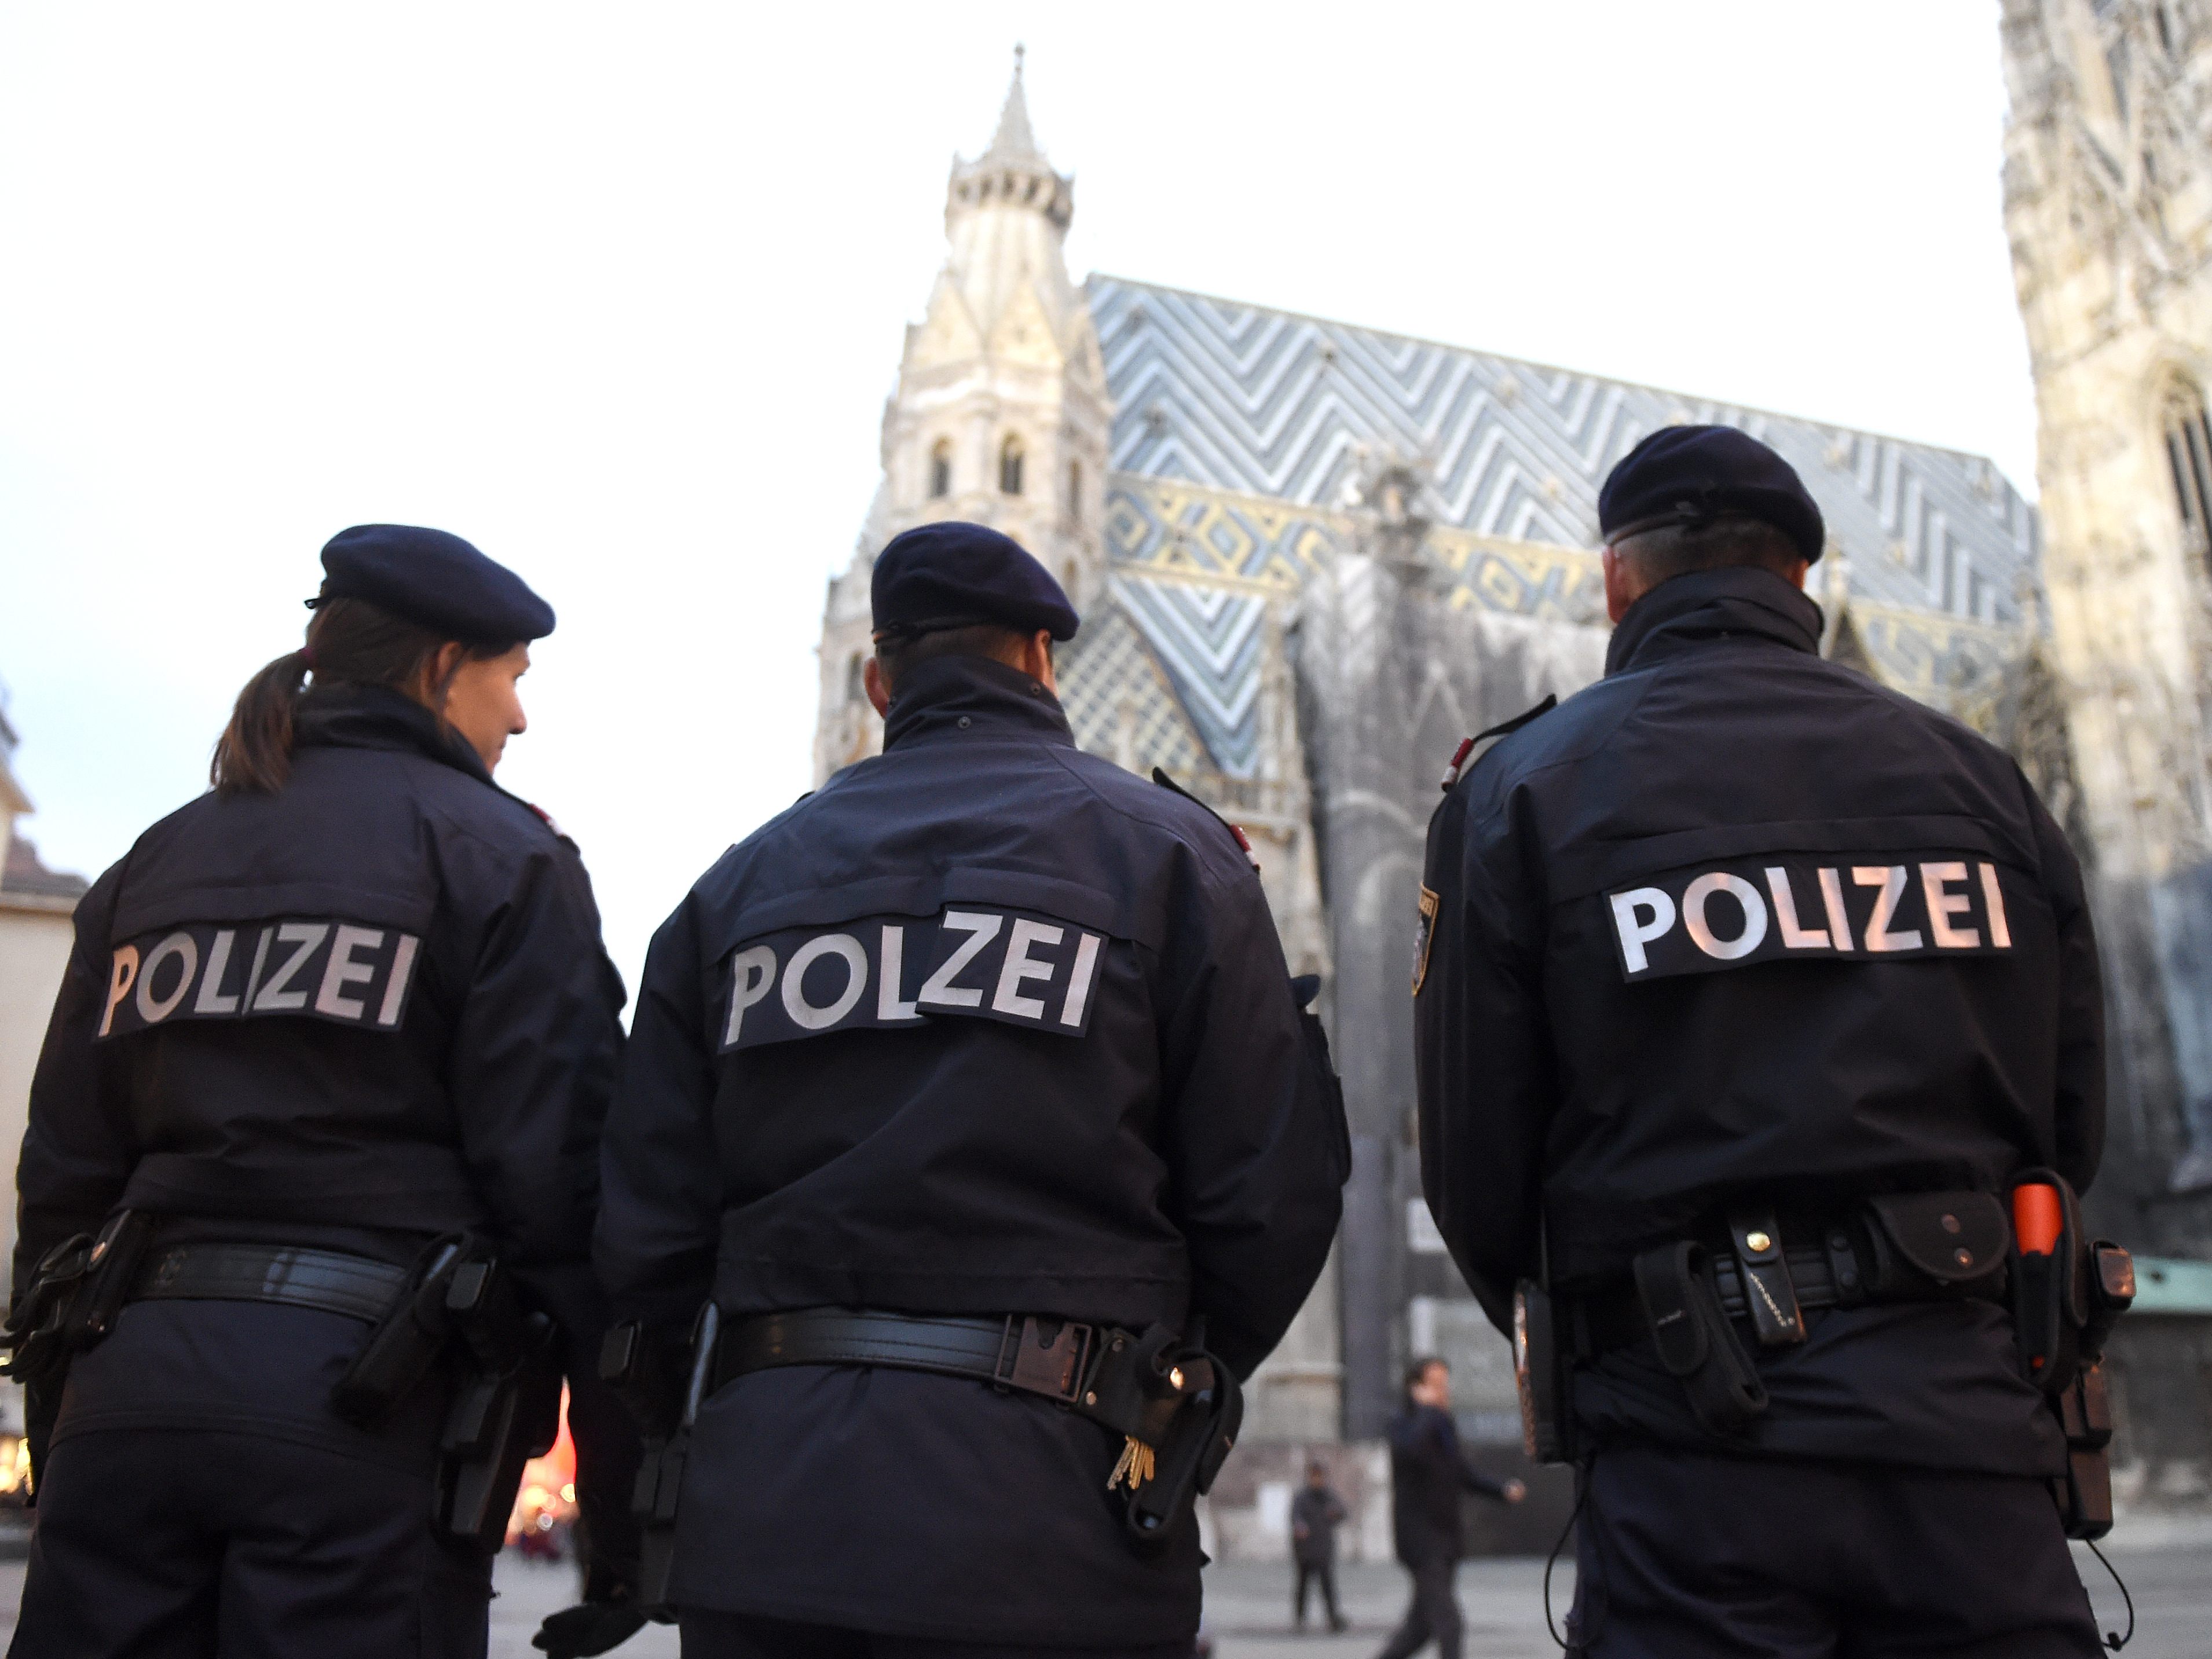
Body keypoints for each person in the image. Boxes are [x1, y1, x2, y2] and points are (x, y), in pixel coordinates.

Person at [596, 519, 1348, 1657]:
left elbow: (642, 1240)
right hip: (1056, 1509)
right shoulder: (1168, 857)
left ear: (873, 676)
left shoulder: (733, 891)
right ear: (1044, 659)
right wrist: (1159, 1376)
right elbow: (1271, 1196)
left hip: (771, 1516)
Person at [1413, 426, 2108, 1656]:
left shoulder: (1526, 786)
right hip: (1968, 1436)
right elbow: (2068, 1118)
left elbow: (1475, 1164)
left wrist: (1604, 1341)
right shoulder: (1982, 782)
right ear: (1801, 581)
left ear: (1615, 580)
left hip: (1693, 1440)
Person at [8, 526, 642, 1659]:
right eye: (513, 678)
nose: (521, 718)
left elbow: (63, 1181)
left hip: (130, 1389)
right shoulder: (500, 858)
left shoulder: (155, 862)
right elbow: (562, 1201)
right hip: (364, 1408)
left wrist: (68, 1419)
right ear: (445, 664)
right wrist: (627, 1511)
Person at [1375, 1358, 1525, 1659]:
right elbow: (1408, 1450)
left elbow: (1461, 1473)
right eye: (1435, 1384)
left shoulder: (1442, 1424)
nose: (1444, 1390)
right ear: (1416, 1388)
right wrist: (1429, 1411)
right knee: (1449, 1623)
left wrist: (1501, 1490)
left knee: (1420, 1627)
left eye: (1445, 1383)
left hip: (1445, 1537)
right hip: (1420, 1539)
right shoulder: (1404, 1422)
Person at [1290, 1459, 1349, 1633]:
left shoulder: (1329, 1496)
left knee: (1328, 1587)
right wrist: (1299, 1527)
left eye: (1320, 1476)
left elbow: (1343, 1514)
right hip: (1305, 1551)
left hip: (1323, 1549)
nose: (1317, 1480)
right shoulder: (1302, 1497)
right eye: (1314, 1476)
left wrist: (1335, 1514)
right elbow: (1295, 1517)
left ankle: (1333, 1618)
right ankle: (1300, 1620)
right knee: (1303, 1587)